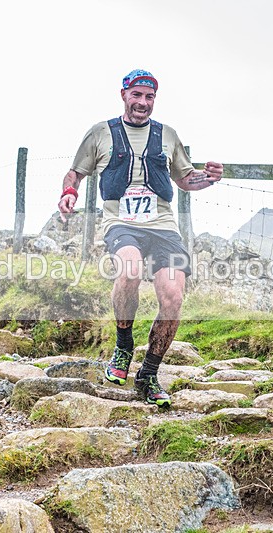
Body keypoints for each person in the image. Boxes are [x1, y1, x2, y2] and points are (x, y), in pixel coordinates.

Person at [57, 69, 224, 407]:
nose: (143, 103)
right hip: (122, 222)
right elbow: (75, 172)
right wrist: (69, 192)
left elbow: (185, 180)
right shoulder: (101, 133)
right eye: (137, 95)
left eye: (149, 97)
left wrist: (209, 177)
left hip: (163, 226)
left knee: (173, 297)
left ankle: (148, 373)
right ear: (124, 95)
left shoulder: (167, 135)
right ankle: (123, 347)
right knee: (130, 270)